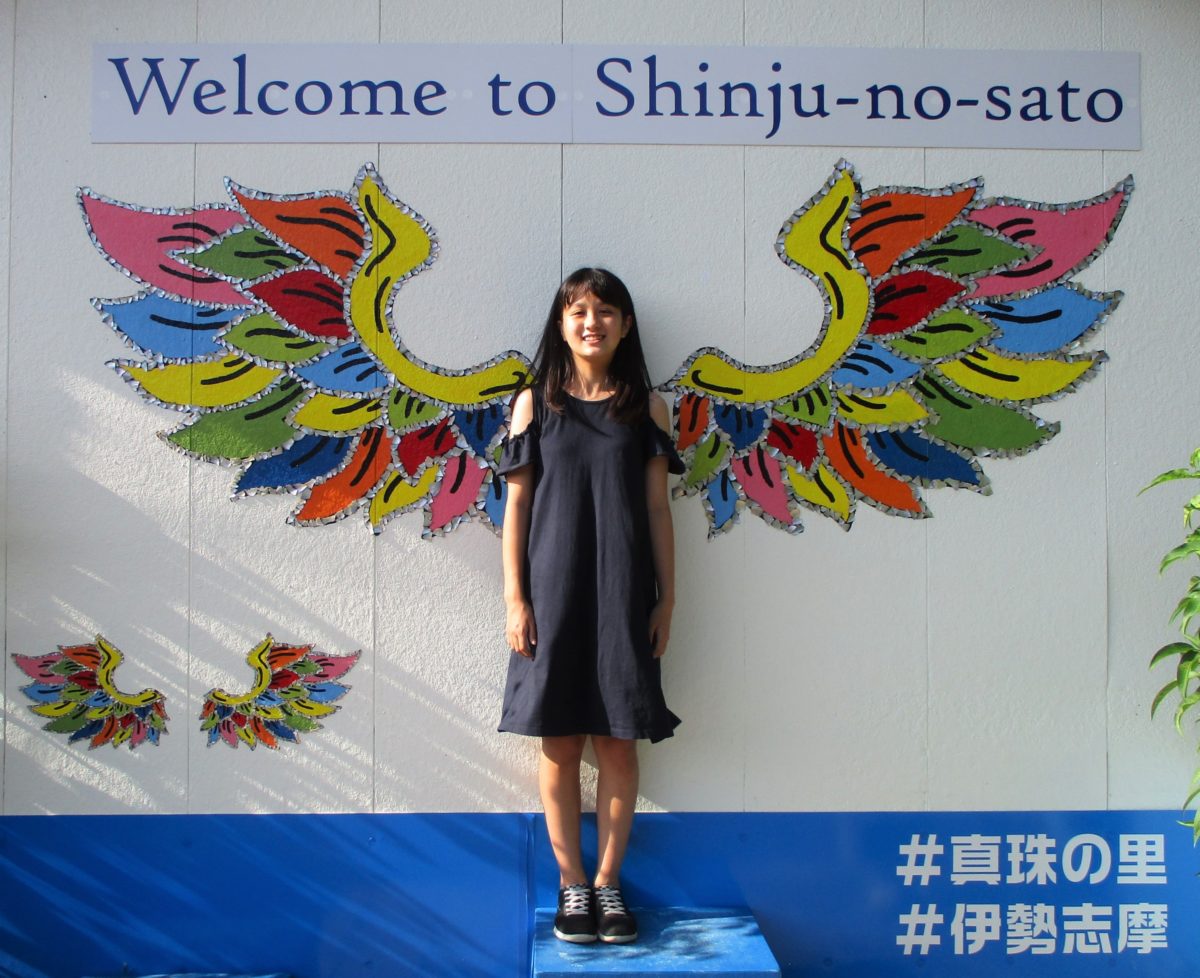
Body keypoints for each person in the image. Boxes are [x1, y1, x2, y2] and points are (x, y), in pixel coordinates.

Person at [497, 267, 683, 945]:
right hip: (552, 593)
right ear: (561, 323)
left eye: (605, 311)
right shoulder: (534, 403)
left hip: (623, 593)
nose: (591, 322)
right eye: (578, 310)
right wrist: (516, 598)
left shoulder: (647, 408)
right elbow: (516, 508)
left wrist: (667, 598)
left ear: (625, 325)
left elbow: (658, 510)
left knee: (618, 741)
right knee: (559, 743)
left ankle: (608, 884)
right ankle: (570, 883)